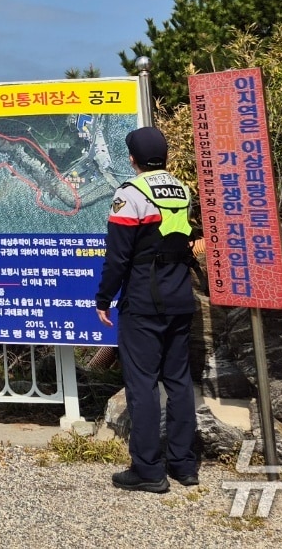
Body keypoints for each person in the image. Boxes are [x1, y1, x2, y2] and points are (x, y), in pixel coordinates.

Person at [95, 126, 200, 493]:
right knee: (179, 382)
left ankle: (149, 470)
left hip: (143, 301)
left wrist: (103, 298)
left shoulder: (130, 194)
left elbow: (118, 256)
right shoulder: (183, 190)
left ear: (133, 158)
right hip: (180, 297)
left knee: (142, 386)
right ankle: (185, 466)